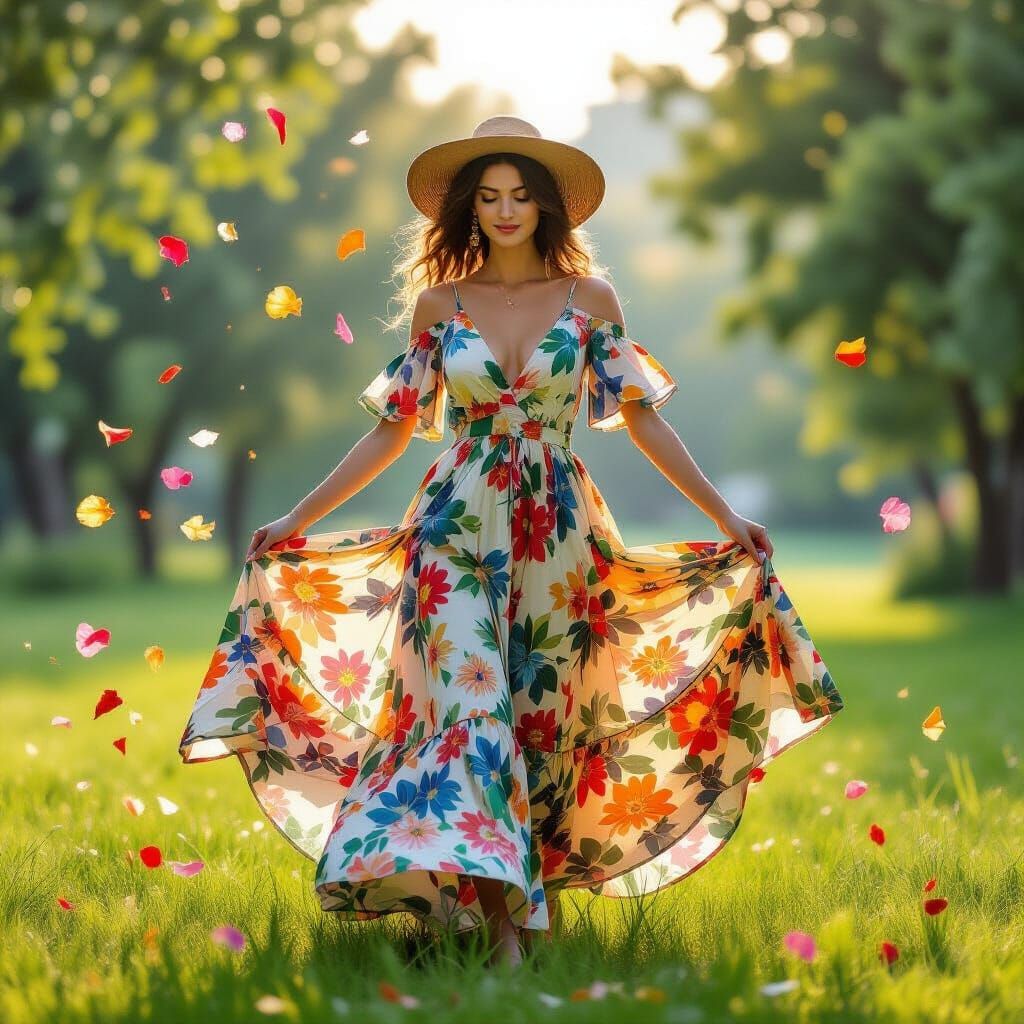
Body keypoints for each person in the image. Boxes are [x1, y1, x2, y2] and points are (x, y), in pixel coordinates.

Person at [179, 115, 845, 969]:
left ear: (546, 207)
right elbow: (390, 434)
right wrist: (296, 521)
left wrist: (725, 519)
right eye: (488, 196)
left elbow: (645, 425)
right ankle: (501, 934)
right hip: (453, 528)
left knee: (537, 718)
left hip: (557, 535)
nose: (503, 210)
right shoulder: (438, 306)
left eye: (520, 195)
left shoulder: (591, 299)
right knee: (470, 713)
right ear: (468, 207)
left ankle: (519, 902)